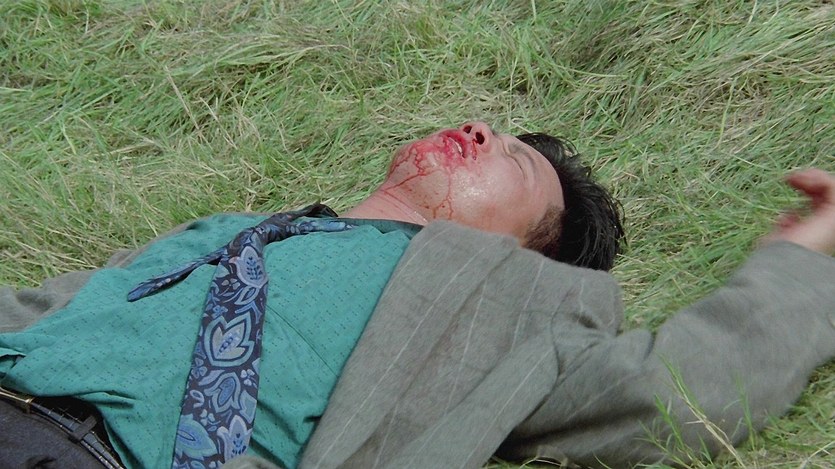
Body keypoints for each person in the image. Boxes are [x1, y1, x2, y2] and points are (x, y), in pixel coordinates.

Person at [0, 122, 833, 469]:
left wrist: (793, 260)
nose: (476, 129)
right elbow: (53, 309)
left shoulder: (515, 303)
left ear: (523, 245)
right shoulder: (236, 229)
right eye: (483, 126)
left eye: (511, 160)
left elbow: (677, 390)